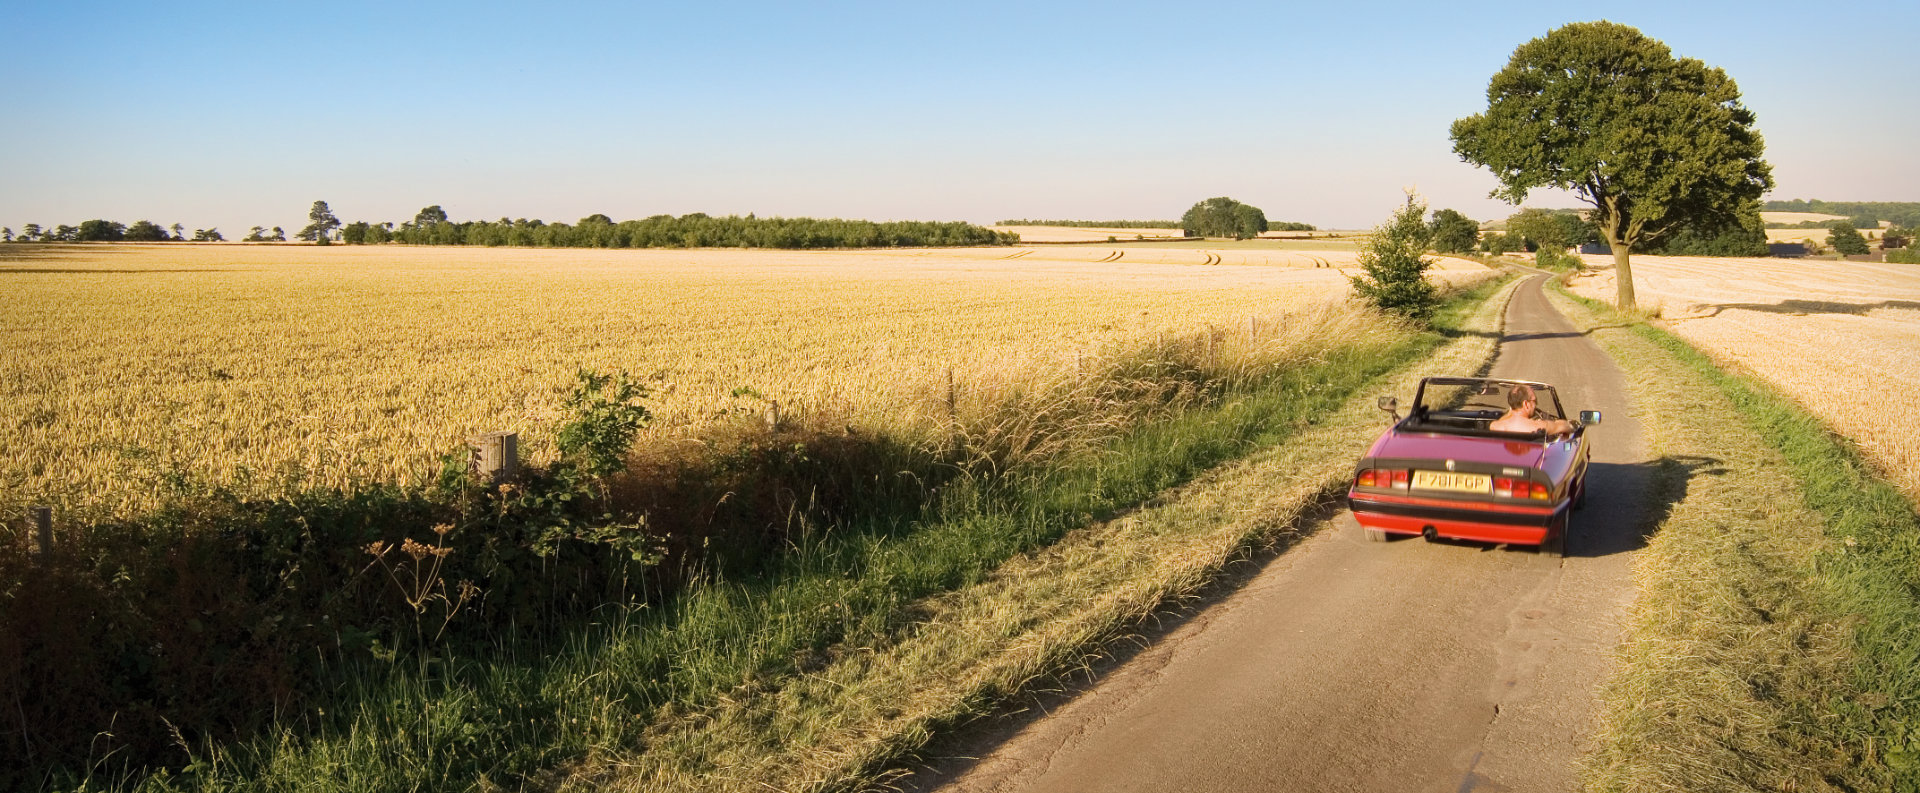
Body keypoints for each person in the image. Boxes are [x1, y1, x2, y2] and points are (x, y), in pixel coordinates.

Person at [1490, 383, 1574, 436]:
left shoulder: (1495, 426)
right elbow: (1565, 426)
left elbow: (1505, 419)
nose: (1536, 405)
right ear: (1526, 404)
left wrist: (1511, 411)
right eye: (1534, 401)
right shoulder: (1538, 427)